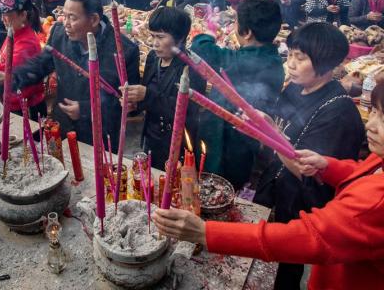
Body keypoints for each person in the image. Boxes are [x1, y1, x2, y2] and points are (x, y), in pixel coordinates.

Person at [152, 79, 384, 290]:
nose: (371, 126)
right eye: (374, 112)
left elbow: (310, 236)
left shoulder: (376, 201)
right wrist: (329, 166)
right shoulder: (379, 157)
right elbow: (366, 171)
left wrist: (205, 233)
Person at [254, 22, 365, 289]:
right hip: (273, 190)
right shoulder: (294, 87)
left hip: (300, 208)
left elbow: (310, 172)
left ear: (326, 65)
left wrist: (271, 135)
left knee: (283, 269)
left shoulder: (338, 113)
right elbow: (280, 128)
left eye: (300, 58)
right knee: (257, 264)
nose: (290, 64)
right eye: (290, 54)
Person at [12, 0, 140, 149]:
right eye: (64, 16)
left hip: (100, 136)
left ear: (93, 19)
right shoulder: (59, 34)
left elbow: (130, 104)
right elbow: (41, 65)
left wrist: (86, 109)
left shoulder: (125, 51)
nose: (65, 23)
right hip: (63, 126)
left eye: (71, 17)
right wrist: (12, 78)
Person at [191, 0, 284, 188]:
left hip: (227, 141)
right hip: (249, 142)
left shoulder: (241, 61)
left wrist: (209, 32)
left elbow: (200, 52)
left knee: (219, 186)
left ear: (247, 32)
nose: (234, 27)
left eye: (236, 23)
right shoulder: (274, 61)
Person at [125, 7, 205, 170]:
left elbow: (187, 111)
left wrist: (146, 96)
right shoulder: (153, 58)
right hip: (151, 140)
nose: (154, 43)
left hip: (177, 145)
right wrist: (134, 105)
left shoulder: (193, 68)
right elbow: (148, 96)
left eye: (160, 37)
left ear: (180, 38)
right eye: (153, 36)